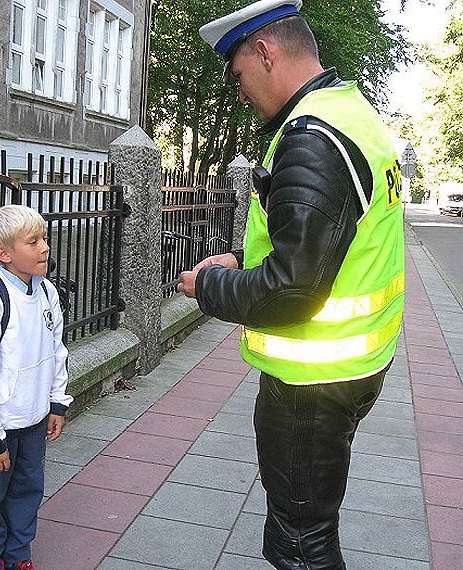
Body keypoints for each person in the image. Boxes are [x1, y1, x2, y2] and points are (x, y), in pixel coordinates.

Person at [178, 1, 405, 568]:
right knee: (307, 524)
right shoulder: (352, 112)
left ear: (265, 51)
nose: (238, 92)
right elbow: (329, 239)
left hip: (311, 383)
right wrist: (240, 258)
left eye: (237, 76)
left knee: (300, 541)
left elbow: (289, 291)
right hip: (353, 366)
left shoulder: (311, 138)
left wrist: (206, 288)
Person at [0, 205, 73, 570]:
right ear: (4, 255)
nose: (45, 248)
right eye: (33, 242)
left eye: (44, 239)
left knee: (27, 493)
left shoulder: (47, 293)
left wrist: (57, 403)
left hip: (35, 421)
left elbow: (57, 349)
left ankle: (18, 556)